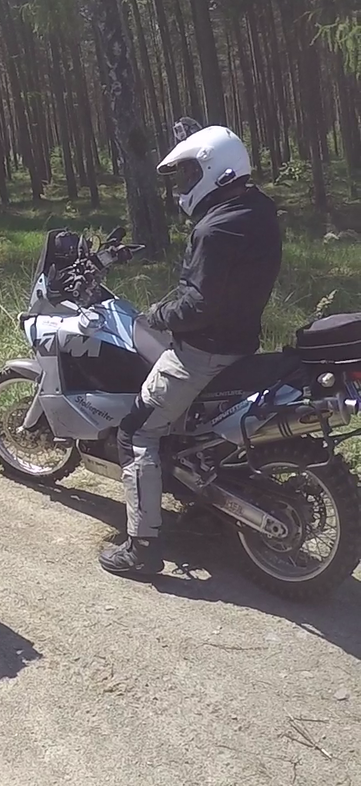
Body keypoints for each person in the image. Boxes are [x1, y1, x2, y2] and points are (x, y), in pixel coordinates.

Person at [110, 124, 282, 578]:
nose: (184, 185)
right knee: (194, 432)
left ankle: (142, 546)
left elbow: (198, 305)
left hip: (202, 353)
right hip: (242, 344)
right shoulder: (258, 209)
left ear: (216, 171)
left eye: (190, 174)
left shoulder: (215, 229)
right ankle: (206, 508)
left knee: (137, 432)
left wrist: (156, 314)